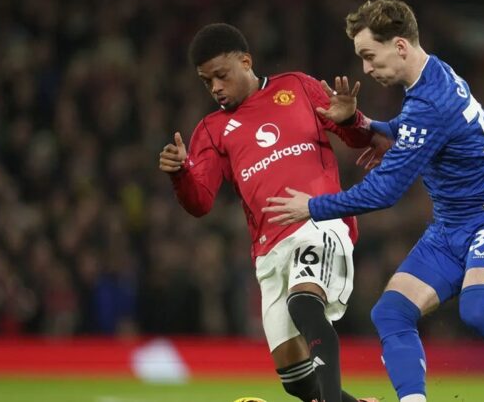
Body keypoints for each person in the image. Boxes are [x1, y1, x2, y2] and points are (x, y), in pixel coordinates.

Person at [263, 0, 484, 402]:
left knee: (478, 310)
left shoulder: (430, 102)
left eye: (369, 55)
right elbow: (408, 129)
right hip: (453, 223)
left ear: (399, 46)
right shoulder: (432, 76)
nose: (365, 68)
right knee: (391, 312)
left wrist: (312, 208)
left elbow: (385, 190)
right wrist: (356, 122)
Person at [159, 23, 379, 402]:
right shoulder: (211, 130)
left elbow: (357, 140)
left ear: (246, 61)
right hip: (268, 250)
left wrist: (348, 119)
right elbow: (200, 203)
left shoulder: (295, 86)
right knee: (296, 379)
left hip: (317, 222)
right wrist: (181, 174)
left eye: (221, 76)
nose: (215, 88)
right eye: (206, 81)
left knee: (305, 304)